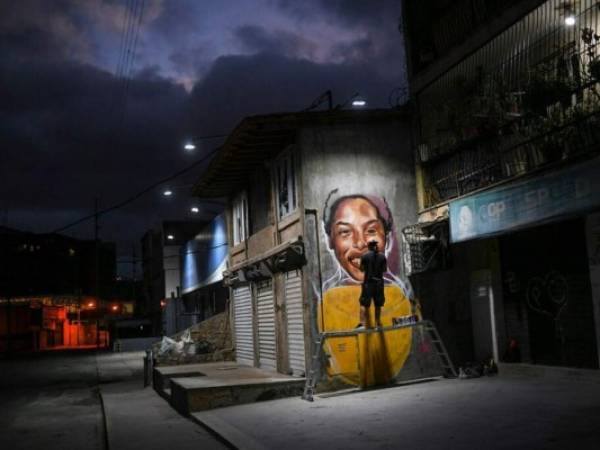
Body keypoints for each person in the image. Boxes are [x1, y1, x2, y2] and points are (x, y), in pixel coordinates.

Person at [358, 240, 387, 329]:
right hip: (378, 283)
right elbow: (384, 270)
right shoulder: (382, 257)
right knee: (378, 304)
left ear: (369, 246)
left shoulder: (365, 256)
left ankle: (362, 324)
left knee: (364, 303)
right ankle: (378, 323)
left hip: (368, 283)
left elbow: (361, 269)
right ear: (376, 246)